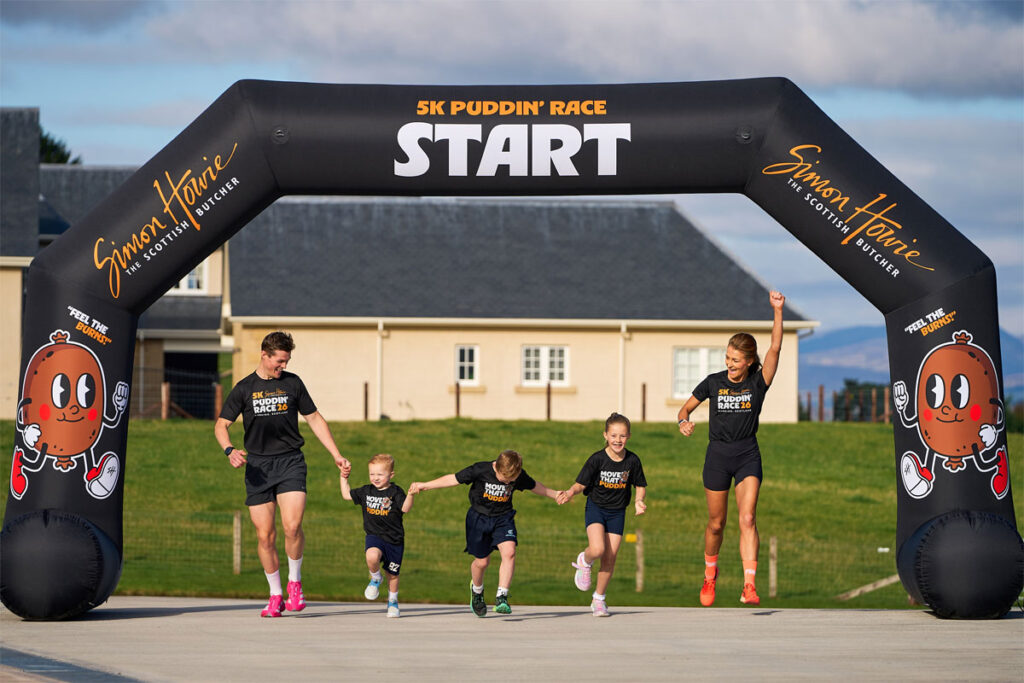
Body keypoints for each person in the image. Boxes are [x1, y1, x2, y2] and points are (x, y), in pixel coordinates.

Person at [215, 331, 351, 617]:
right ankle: (275, 594)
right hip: (258, 468)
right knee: (265, 536)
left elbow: (314, 418)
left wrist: (336, 454)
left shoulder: (293, 383)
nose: (284, 366)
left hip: (290, 462)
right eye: (279, 361)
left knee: (292, 526)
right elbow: (221, 425)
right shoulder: (244, 388)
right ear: (264, 355)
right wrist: (229, 450)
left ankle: (294, 583)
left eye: (287, 361)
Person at [677, 290, 785, 607]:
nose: (730, 364)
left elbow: (775, 347)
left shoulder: (758, 383)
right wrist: (682, 422)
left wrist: (777, 310)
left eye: (736, 360)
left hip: (747, 454)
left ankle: (749, 585)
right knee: (716, 523)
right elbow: (685, 409)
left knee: (748, 518)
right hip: (718, 456)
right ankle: (710, 575)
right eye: (727, 358)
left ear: (749, 361)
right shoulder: (713, 382)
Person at [408, 450, 560, 617]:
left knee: (509, 552)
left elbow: (534, 486)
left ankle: (502, 597)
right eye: (504, 479)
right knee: (482, 562)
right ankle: (477, 590)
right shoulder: (480, 470)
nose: (508, 482)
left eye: (511, 480)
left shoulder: (518, 475)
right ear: (496, 468)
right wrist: (425, 485)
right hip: (478, 519)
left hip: (503, 518)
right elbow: (453, 479)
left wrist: (555, 495)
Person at [557, 412, 647, 617]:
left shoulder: (632, 460)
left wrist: (639, 501)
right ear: (605, 435)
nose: (618, 440)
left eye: (622, 436)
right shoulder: (597, 459)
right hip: (596, 508)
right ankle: (584, 560)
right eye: (613, 435)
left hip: (617, 512)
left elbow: (640, 485)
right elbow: (581, 484)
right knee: (597, 549)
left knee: (610, 558)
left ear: (629, 436)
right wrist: (570, 493)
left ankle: (599, 599)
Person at [340, 453, 415, 618]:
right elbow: (346, 495)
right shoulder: (366, 491)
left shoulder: (396, 492)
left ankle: (393, 602)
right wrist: (343, 477)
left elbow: (405, 508)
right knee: (371, 556)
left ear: (391, 475)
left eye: (380, 474)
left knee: (392, 574)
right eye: (372, 474)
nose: (375, 478)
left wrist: (410, 495)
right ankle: (375, 578)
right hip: (374, 536)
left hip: (394, 539)